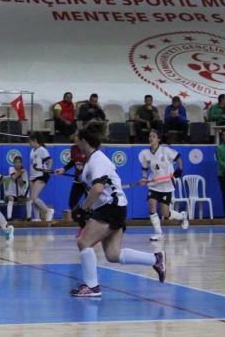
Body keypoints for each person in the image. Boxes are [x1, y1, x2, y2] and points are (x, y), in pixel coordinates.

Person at [70, 125, 166, 298]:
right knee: (113, 254)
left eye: (78, 140)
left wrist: (83, 208)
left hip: (111, 208)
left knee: (84, 242)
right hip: (114, 208)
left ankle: (92, 287)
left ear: (84, 141)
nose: (76, 143)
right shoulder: (92, 161)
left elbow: (97, 189)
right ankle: (156, 259)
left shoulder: (98, 159)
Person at [139, 130, 189, 241]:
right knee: (151, 204)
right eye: (150, 136)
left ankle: (182, 216)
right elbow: (144, 168)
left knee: (165, 213)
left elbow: (178, 158)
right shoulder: (145, 154)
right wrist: (144, 178)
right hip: (154, 184)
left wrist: (180, 169)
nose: (151, 138)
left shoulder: (165, 150)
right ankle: (159, 233)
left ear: (159, 139)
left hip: (166, 185)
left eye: (154, 136)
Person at [54, 133, 89, 211]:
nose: (76, 143)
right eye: (75, 141)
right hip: (78, 180)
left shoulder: (89, 149)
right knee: (72, 203)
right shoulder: (73, 148)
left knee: (90, 203)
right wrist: (63, 169)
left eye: (78, 141)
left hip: (88, 181)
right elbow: (72, 162)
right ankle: (78, 216)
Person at [27, 132, 55, 222]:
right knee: (33, 198)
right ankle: (37, 217)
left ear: (35, 140)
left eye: (30, 141)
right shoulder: (32, 150)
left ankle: (48, 211)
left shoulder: (42, 149)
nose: (28, 143)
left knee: (33, 197)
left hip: (41, 175)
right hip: (33, 176)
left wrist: (48, 169)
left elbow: (50, 160)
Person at [4, 155, 30, 220]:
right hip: (11, 192)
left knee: (28, 199)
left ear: (21, 163)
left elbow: (21, 185)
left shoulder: (25, 172)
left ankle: (28, 218)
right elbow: (13, 177)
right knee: (11, 199)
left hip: (20, 194)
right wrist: (20, 172)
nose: (17, 164)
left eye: (19, 162)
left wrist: (20, 175)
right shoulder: (11, 169)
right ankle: (9, 218)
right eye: (16, 162)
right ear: (13, 163)